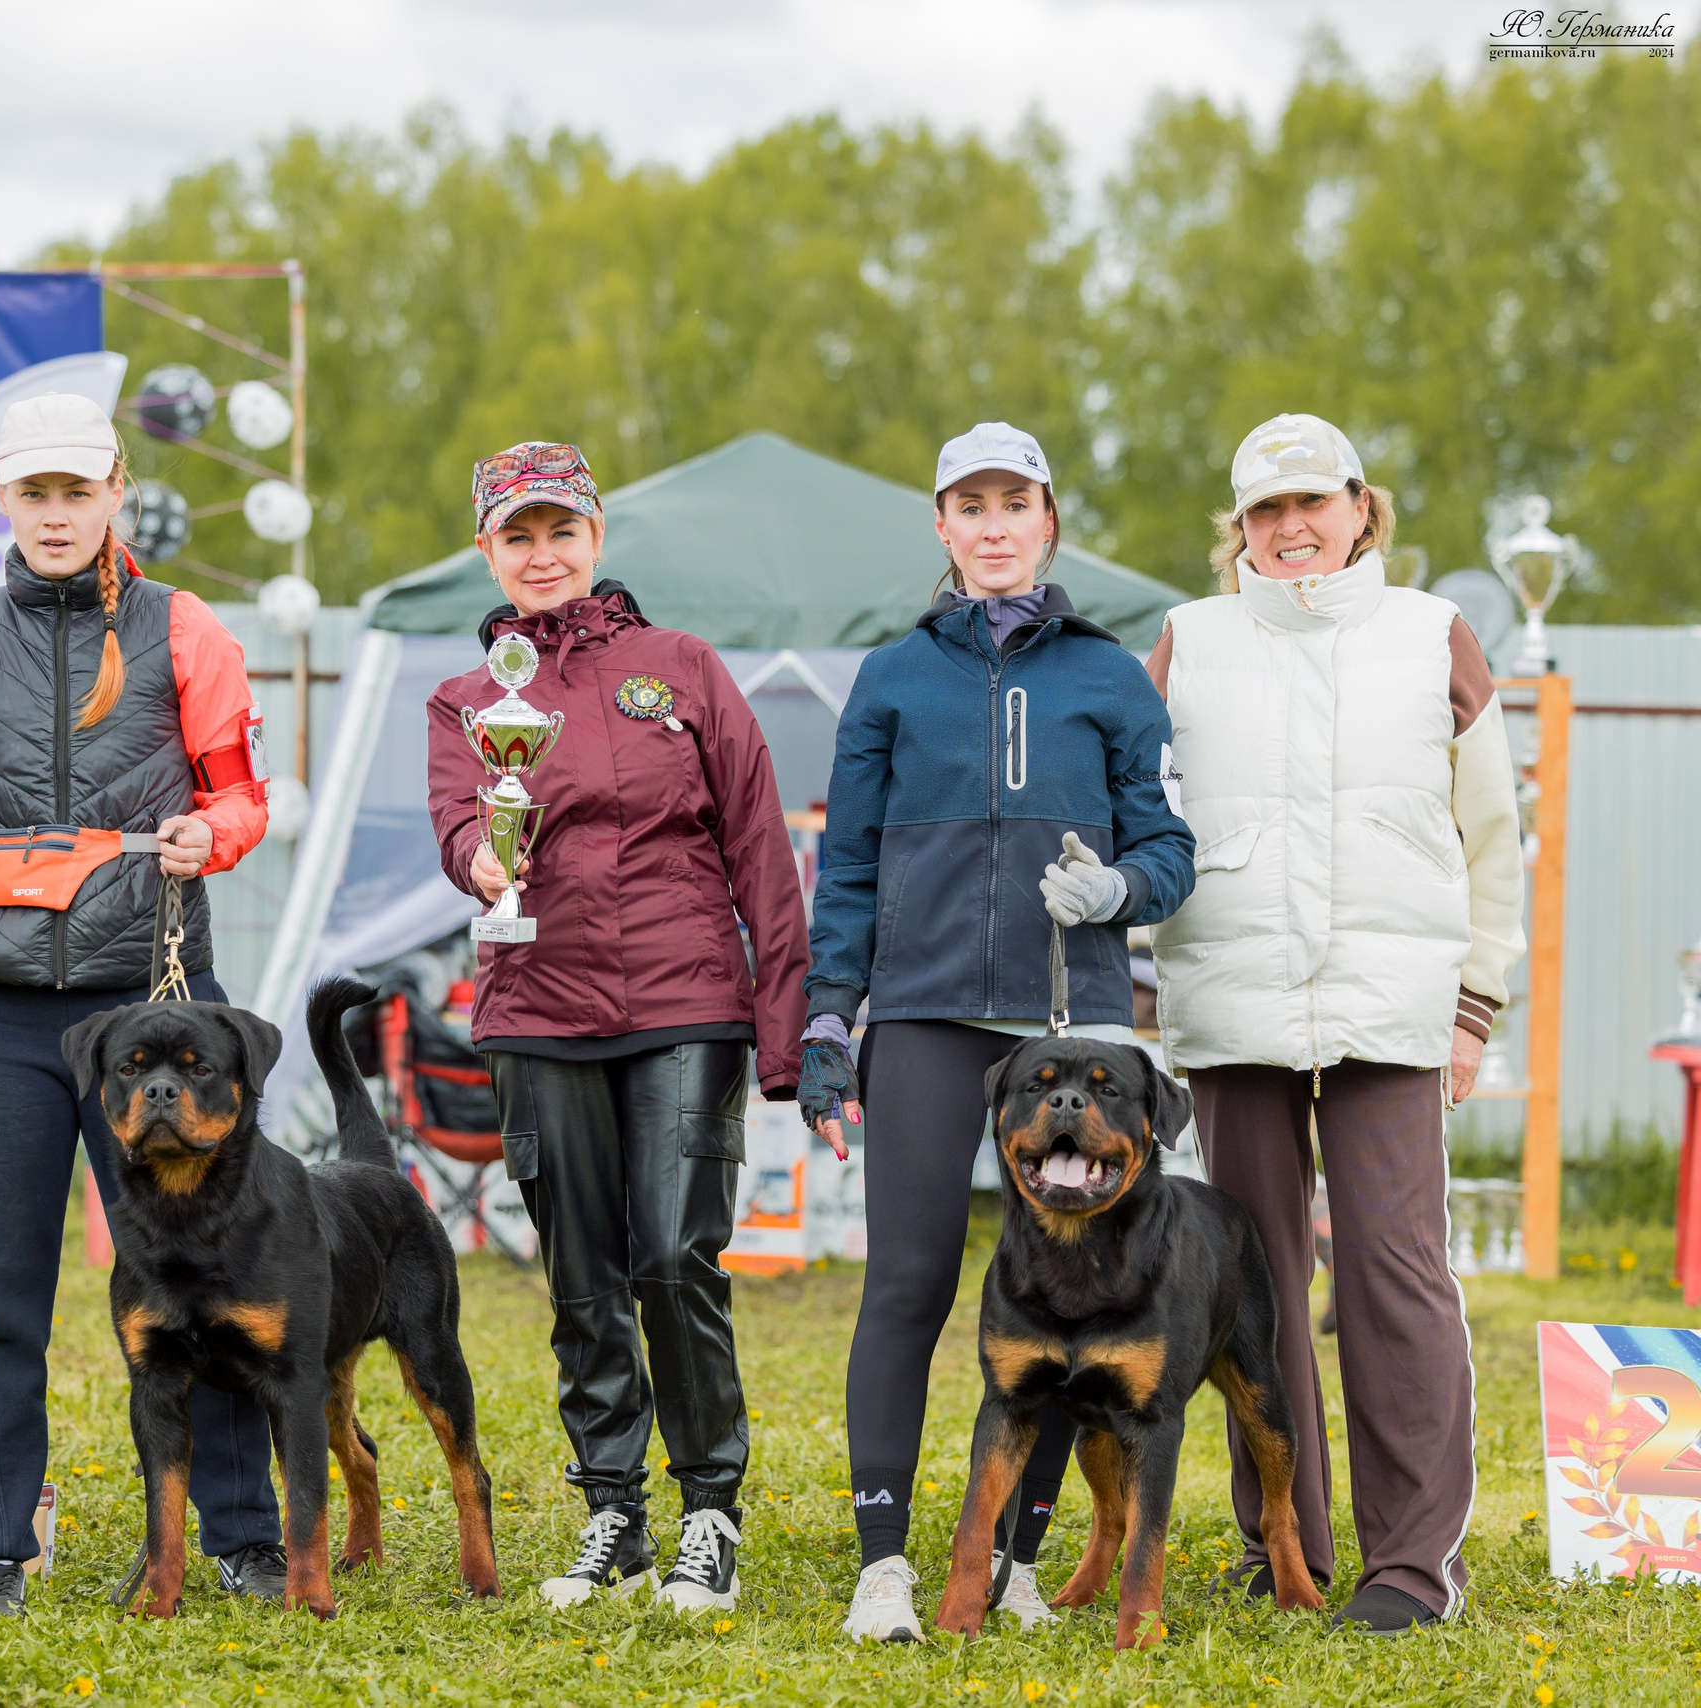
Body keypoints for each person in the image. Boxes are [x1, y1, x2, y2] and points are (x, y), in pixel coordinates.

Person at [0, 392, 281, 1622]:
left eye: (75, 492)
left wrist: (215, 832)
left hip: (151, 1005)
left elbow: (245, 798)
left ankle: (245, 1536)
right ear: (7, 503)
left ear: (115, 495)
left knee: (203, 1280)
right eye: (31, 495)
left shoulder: (185, 628)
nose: (54, 515)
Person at [797, 423, 1196, 1641]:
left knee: (1069, 1299)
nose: (992, 525)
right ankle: (883, 1566)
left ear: (1047, 517)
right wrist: (827, 1012)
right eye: (967, 505)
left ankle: (1018, 1559)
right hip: (920, 1018)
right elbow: (848, 865)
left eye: (1012, 502)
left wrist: (1114, 892)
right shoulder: (890, 676)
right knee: (906, 1285)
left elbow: (1172, 854)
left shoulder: (1112, 677)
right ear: (940, 525)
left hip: (1065, 1031)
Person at [1146, 413, 1523, 1636]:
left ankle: (1412, 1565)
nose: (1293, 527)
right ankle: (1284, 1544)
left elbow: (1491, 838)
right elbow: (1141, 817)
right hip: (1233, 1002)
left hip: (1394, 1003)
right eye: (1267, 510)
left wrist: (1474, 1004)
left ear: (1363, 507)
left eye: (1315, 501)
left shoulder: (1432, 637)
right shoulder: (1186, 643)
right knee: (1250, 1286)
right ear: (1238, 528)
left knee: (1396, 1276)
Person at [425, 441, 810, 1615]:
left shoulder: (681, 668)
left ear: (596, 539)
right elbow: (457, 831)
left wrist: (784, 1031)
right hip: (536, 1007)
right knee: (581, 1273)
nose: (541, 554)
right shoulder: (464, 696)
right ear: (486, 549)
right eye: (516, 534)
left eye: (561, 530)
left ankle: (708, 1511)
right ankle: (613, 1514)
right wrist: (481, 856)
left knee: (672, 1255)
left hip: (685, 1001)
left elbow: (759, 848)